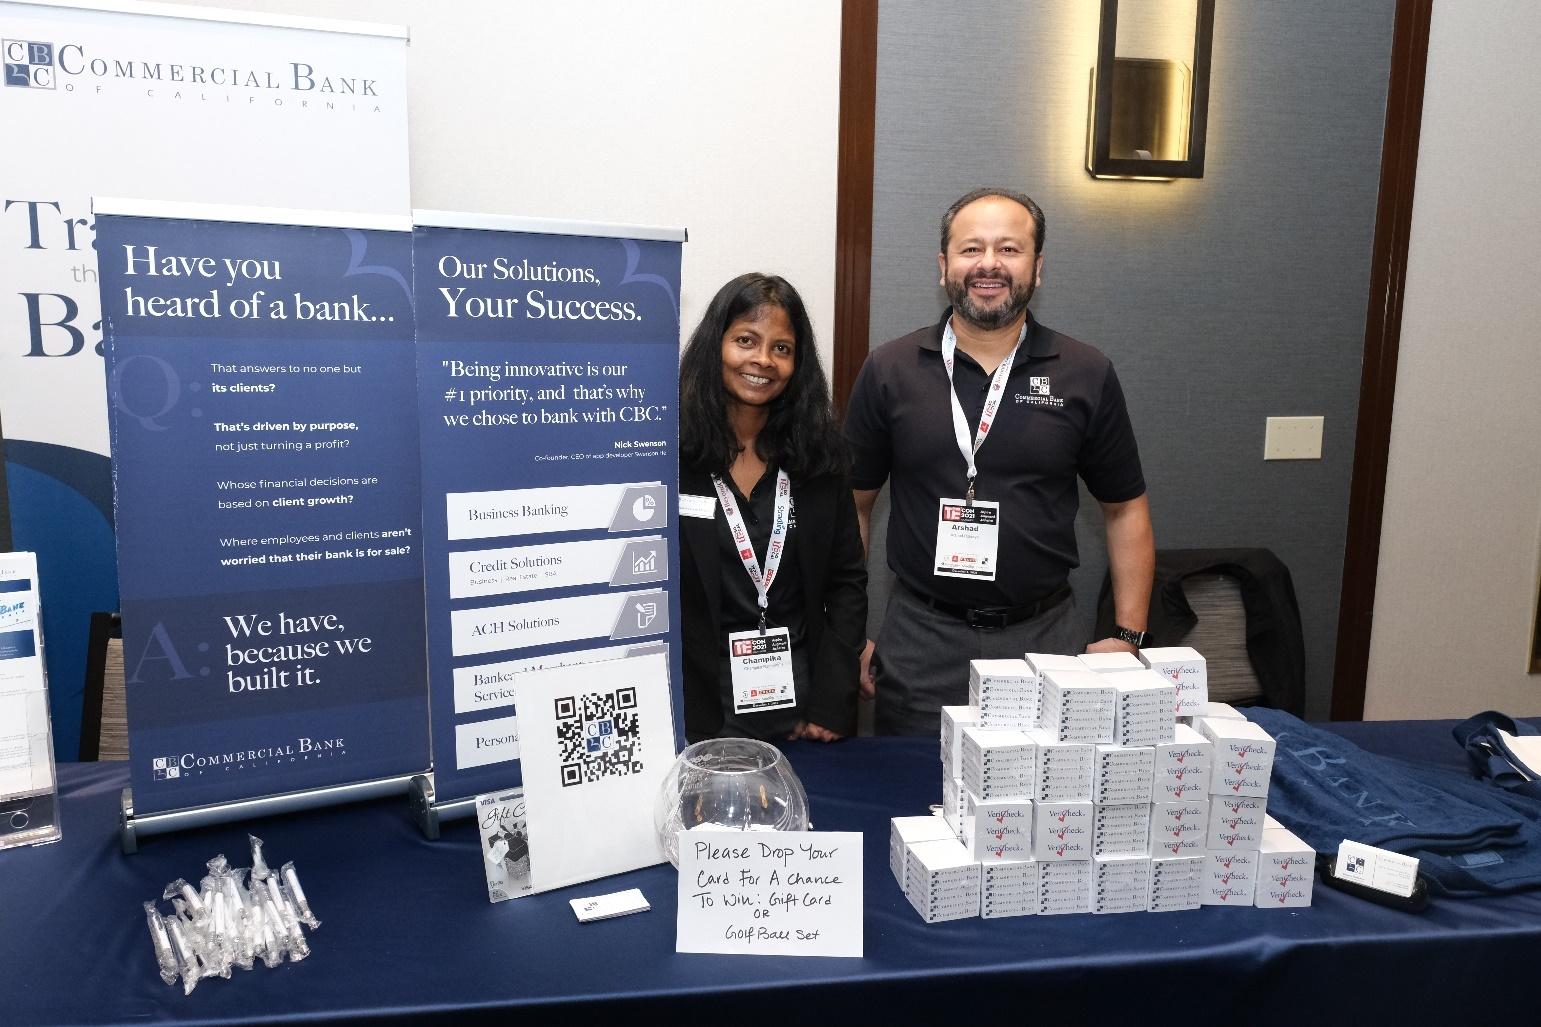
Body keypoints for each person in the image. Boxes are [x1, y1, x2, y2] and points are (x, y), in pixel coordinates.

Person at [844, 187, 1155, 735]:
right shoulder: (890, 369)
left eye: (1009, 249)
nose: (989, 264)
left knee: (1048, 789)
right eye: (971, 249)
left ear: (1038, 268)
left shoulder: (1085, 372)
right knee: (914, 784)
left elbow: (1125, 509)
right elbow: (853, 506)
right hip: (920, 642)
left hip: (1045, 642)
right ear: (944, 266)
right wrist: (846, 634)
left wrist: (1128, 635)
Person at [678, 273, 867, 744]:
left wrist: (830, 703)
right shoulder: (670, 456)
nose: (763, 360)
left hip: (802, 711)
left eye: (781, 348)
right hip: (698, 710)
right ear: (715, 345)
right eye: (746, 340)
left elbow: (847, 583)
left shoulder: (819, 459)